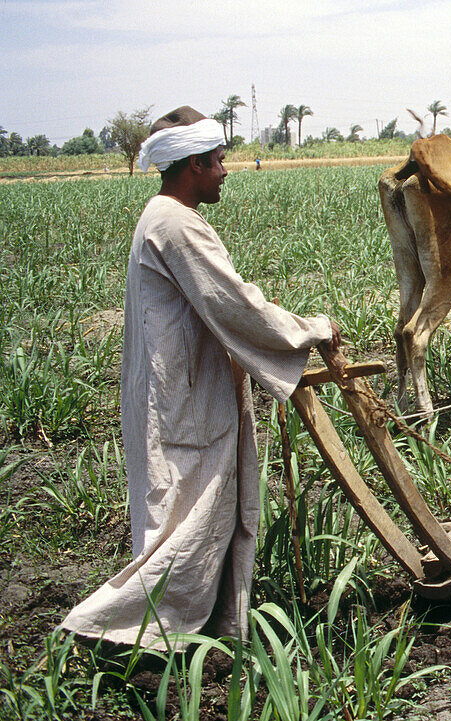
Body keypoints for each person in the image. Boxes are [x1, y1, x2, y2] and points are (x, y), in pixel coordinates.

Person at [61, 106, 338, 648]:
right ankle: (114, 627)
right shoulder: (176, 223)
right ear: (191, 165)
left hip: (179, 391)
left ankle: (203, 626)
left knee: (193, 514)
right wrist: (310, 331)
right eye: (217, 160)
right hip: (184, 400)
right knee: (189, 519)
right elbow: (235, 304)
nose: (226, 169)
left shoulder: (162, 217)